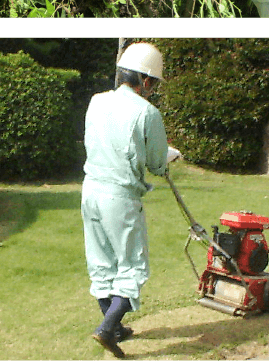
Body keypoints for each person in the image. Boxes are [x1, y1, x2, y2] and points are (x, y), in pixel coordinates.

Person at [81, 42, 169, 358]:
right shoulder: (147, 111)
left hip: (90, 191)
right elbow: (158, 163)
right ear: (145, 81)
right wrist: (167, 157)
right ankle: (107, 329)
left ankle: (116, 328)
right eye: (153, 84)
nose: (152, 90)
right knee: (132, 265)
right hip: (119, 197)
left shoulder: (96, 101)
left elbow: (108, 141)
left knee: (102, 262)